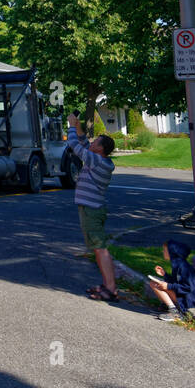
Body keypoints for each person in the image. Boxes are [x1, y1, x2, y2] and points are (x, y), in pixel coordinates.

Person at [67, 113, 118, 301]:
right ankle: (107, 284)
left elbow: (75, 145)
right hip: (90, 210)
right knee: (97, 249)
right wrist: (79, 125)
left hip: (92, 211)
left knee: (100, 248)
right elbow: (83, 142)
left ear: (101, 149)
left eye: (96, 142)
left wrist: (72, 126)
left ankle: (111, 289)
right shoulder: (99, 159)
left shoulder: (97, 161)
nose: (92, 143)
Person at [147, 238, 195, 321]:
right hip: (188, 297)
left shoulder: (184, 267)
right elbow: (177, 282)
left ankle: (175, 312)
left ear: (172, 252)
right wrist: (164, 274)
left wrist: (168, 286)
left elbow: (188, 287)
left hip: (193, 301)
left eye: (165, 250)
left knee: (157, 285)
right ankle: (169, 306)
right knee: (154, 283)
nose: (163, 252)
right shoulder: (178, 264)